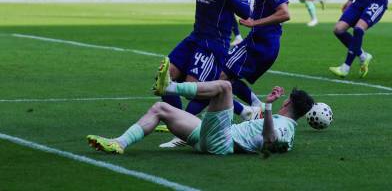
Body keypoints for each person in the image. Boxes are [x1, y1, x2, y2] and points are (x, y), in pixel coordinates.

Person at [86, 59, 314, 155]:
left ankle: (170, 86)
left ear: (289, 103)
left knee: (225, 86)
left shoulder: (286, 127)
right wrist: (266, 106)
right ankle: (119, 143)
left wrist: (268, 110)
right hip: (213, 136)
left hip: (223, 140)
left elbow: (270, 140)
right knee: (159, 109)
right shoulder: (287, 125)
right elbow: (260, 135)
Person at [157, 0, 251, 145]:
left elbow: (246, 11)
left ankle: (187, 129)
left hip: (214, 43)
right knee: (164, 78)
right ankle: (181, 126)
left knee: (193, 89)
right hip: (194, 38)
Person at [224, 0, 291, 121]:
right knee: (227, 77)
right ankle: (256, 106)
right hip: (267, 43)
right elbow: (269, 7)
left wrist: (255, 22)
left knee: (218, 78)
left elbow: (284, 13)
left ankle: (246, 112)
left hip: (259, 43)